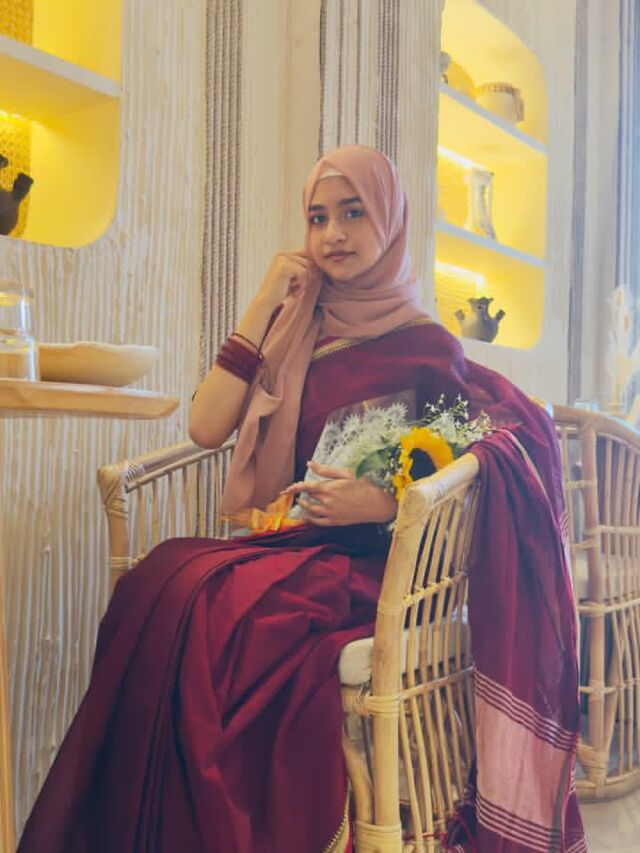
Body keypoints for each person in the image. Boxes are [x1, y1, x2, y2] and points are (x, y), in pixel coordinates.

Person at [19, 145, 585, 852]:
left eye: (353, 213)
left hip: (379, 570)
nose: (333, 235)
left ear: (391, 221)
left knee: (224, 611)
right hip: (293, 542)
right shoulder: (300, 324)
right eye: (318, 218)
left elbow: (461, 476)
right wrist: (266, 302)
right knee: (161, 577)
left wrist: (381, 504)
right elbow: (205, 428)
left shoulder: (427, 345)